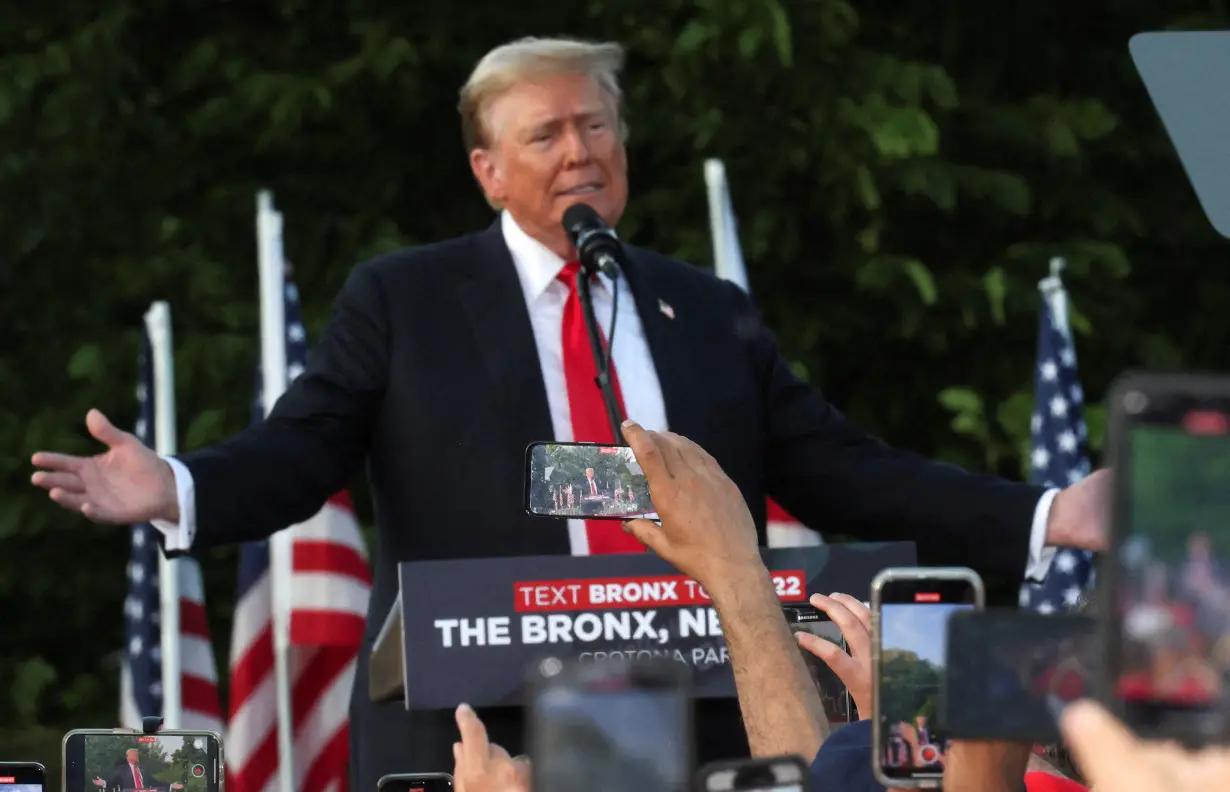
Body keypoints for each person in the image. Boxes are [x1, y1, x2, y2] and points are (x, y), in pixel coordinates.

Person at [30, 35, 1107, 790]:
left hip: (702, 713)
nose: (580, 152)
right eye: (545, 136)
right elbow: (299, 448)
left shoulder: (704, 310)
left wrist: (1048, 512)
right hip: (490, 724)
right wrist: (176, 486)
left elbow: (842, 467)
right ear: (488, 170)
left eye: (597, 127)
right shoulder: (405, 299)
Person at [92, 748, 184, 792]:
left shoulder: (143, 771)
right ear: (128, 757)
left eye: (137, 755)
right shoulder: (122, 771)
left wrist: (170, 785)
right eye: (134, 755)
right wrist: (104, 782)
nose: (136, 757)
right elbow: (112, 782)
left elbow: (155, 782)